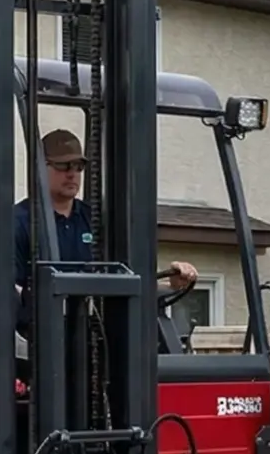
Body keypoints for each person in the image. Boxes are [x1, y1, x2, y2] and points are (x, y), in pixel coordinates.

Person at [12, 129, 195, 338]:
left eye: (78, 166)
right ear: (40, 168)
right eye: (63, 166)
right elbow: (10, 294)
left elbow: (125, 278)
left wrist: (172, 284)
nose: (72, 174)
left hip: (94, 342)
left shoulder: (96, 220)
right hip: (39, 347)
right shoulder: (19, 222)